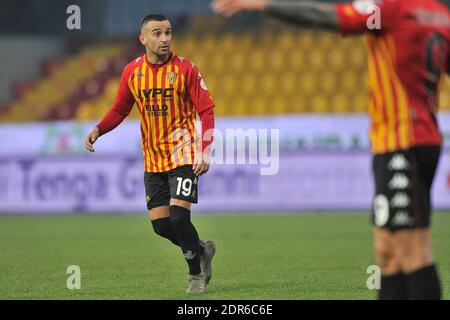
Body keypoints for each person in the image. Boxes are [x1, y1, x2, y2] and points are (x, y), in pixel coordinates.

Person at [212, 0, 450, 299]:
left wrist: (263, 5)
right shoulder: (441, 14)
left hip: (405, 143)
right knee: (387, 253)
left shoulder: (392, 8)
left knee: (413, 252)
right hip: (407, 142)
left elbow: (321, 16)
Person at [85, 14, 217, 294]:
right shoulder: (132, 72)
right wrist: (99, 128)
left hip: (183, 156)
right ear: (143, 39)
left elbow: (206, 109)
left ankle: (195, 276)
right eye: (157, 34)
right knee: (161, 225)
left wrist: (204, 150)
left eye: (168, 33)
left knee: (180, 218)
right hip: (153, 159)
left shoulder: (186, 70)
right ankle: (201, 249)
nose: (165, 39)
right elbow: (120, 109)